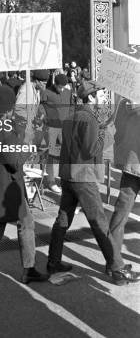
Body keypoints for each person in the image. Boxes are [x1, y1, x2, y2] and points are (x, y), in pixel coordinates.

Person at [47, 81, 140, 285]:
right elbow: (92, 149)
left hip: (69, 175)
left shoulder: (72, 115)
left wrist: (102, 127)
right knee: (99, 223)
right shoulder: (88, 118)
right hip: (83, 177)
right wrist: (108, 133)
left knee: (62, 220)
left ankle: (53, 262)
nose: (102, 98)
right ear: (90, 97)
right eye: (99, 95)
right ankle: (117, 269)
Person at [0, 86, 48, 291]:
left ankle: (28, 268)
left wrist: (24, 133)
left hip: (1, 184)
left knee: (25, 222)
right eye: (12, 106)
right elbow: (15, 161)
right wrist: (32, 140)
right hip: (3, 187)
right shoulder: (3, 130)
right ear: (6, 109)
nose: (14, 109)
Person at [107, 95, 140, 278]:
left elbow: (117, 132)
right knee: (121, 212)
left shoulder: (121, 102)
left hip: (129, 163)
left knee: (120, 213)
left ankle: (112, 262)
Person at [40, 73, 74, 193]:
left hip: (65, 128)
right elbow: (41, 106)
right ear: (55, 84)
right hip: (51, 128)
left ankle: (66, 178)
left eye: (64, 87)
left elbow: (71, 106)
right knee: (51, 154)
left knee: (67, 153)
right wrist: (45, 117)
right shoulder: (46, 92)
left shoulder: (68, 92)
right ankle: (51, 180)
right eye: (60, 87)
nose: (62, 89)